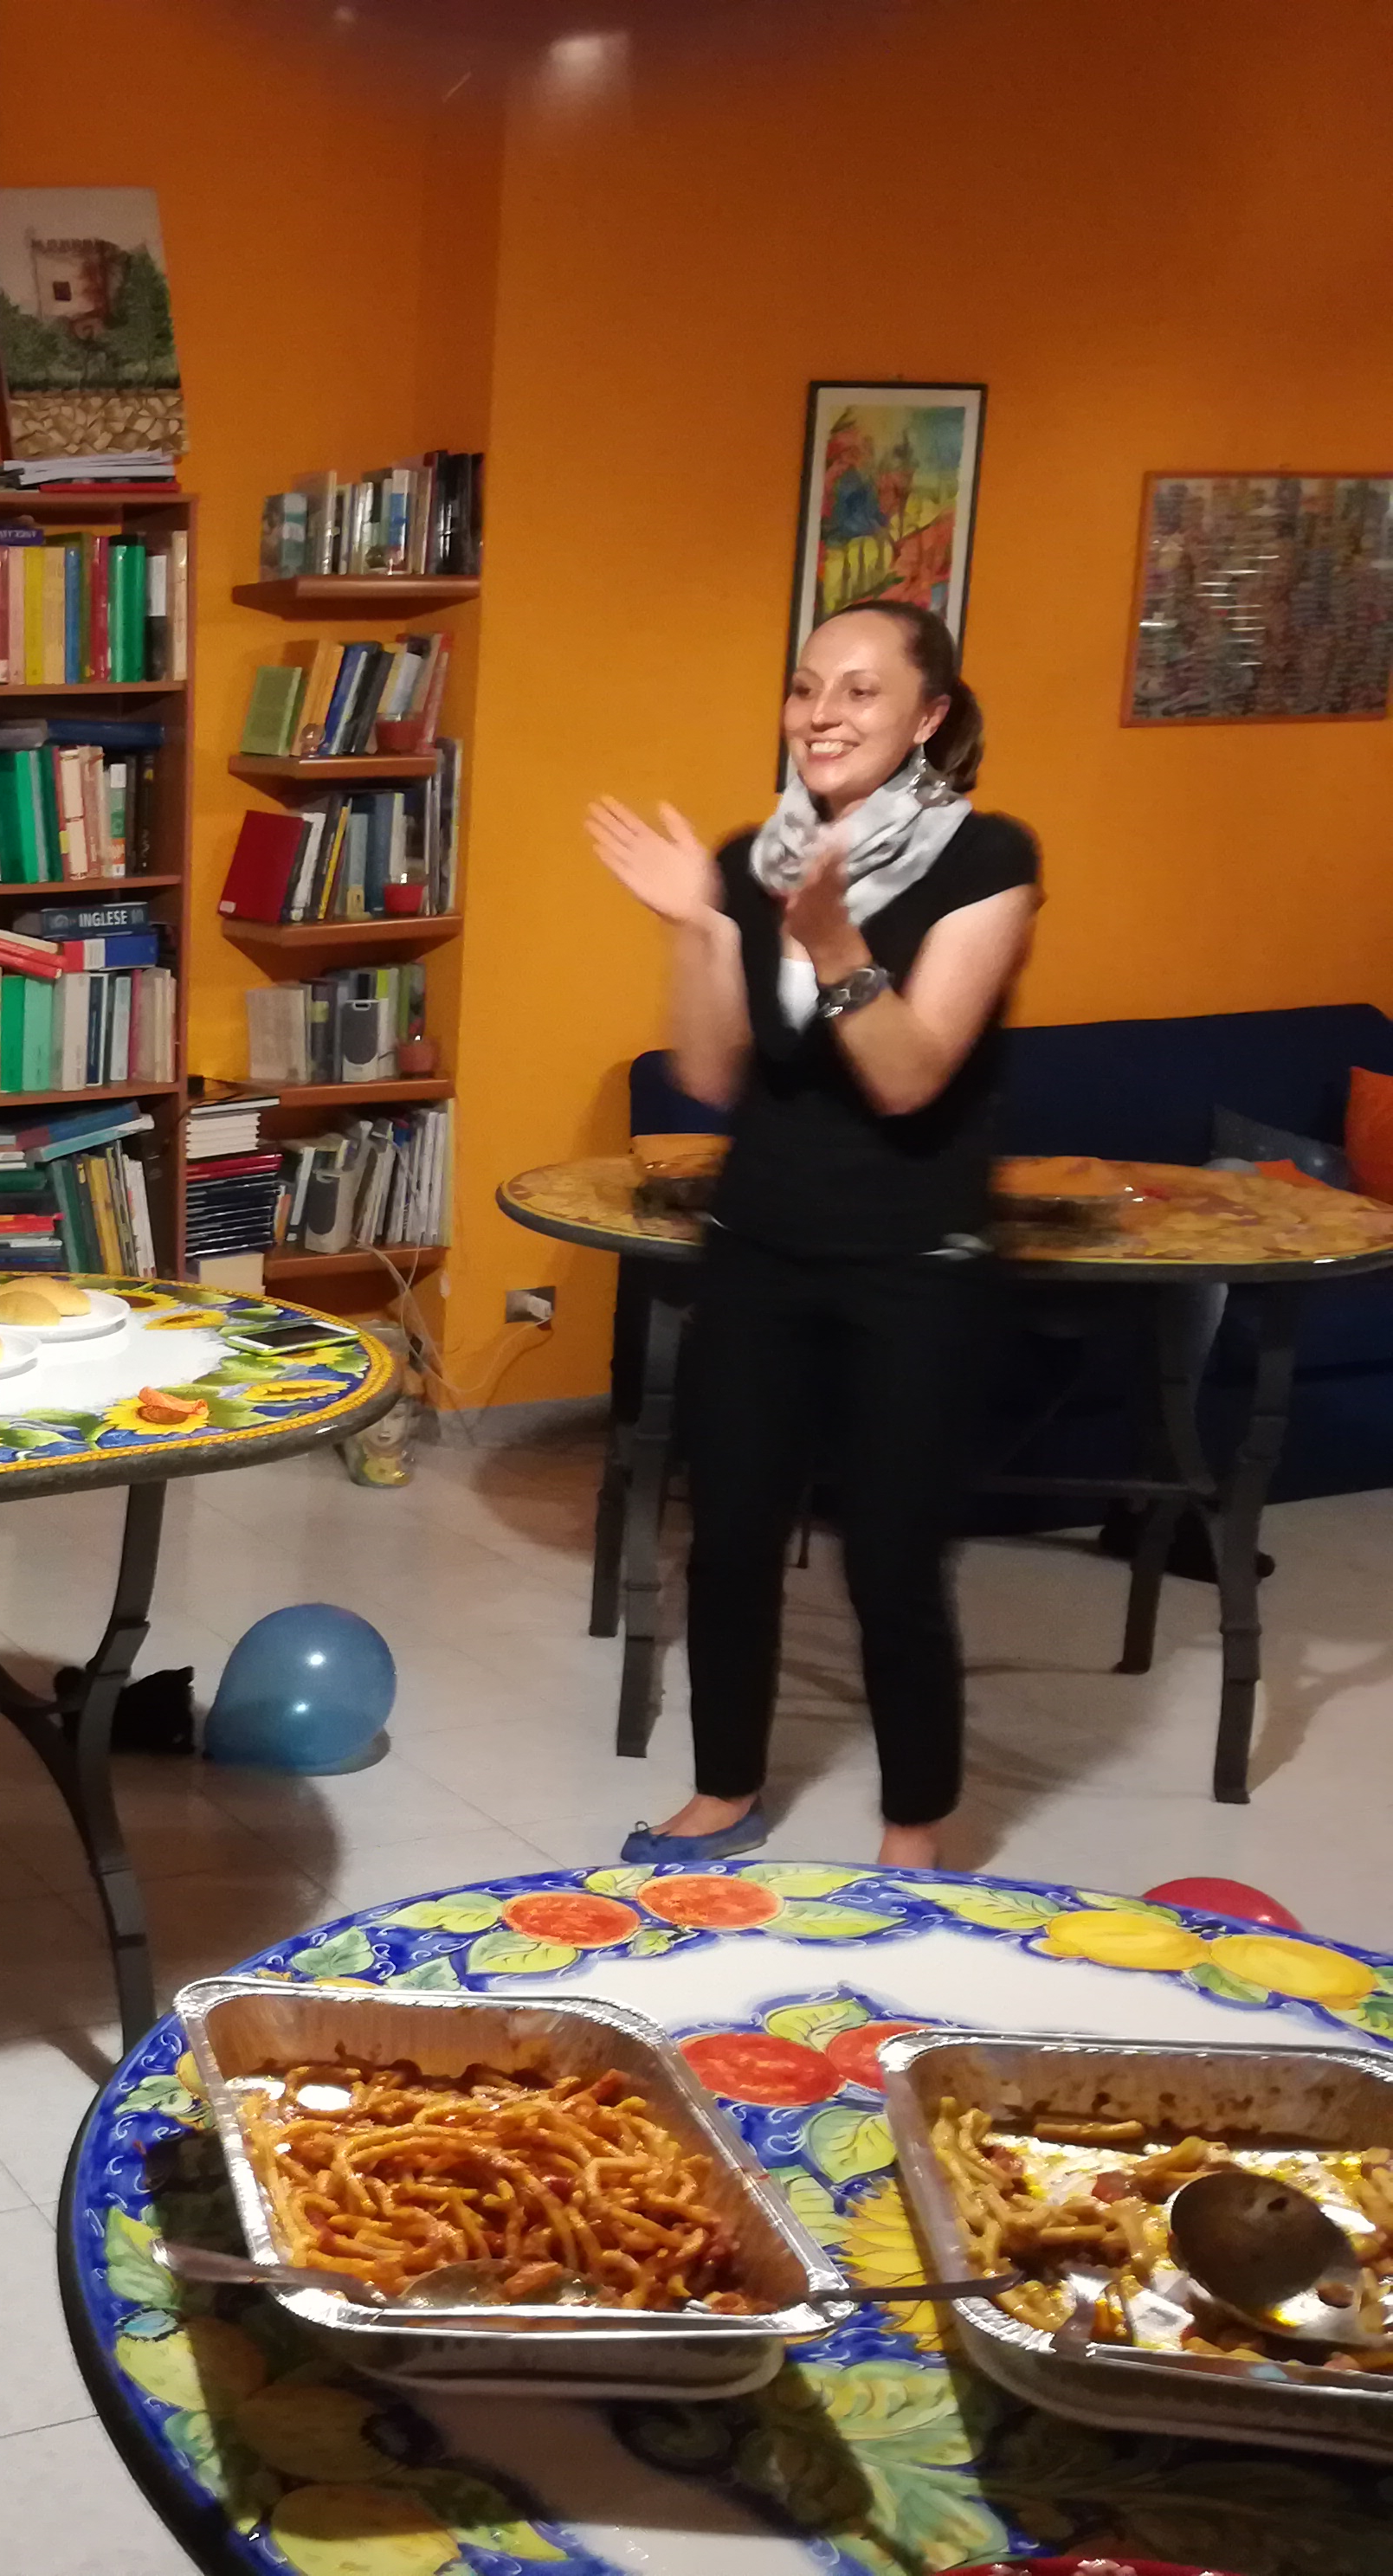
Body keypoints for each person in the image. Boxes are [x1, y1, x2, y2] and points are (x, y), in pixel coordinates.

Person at [589, 600, 1041, 1872]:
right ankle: (724, 1790)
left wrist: (831, 939)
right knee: (731, 1538)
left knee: (891, 1558)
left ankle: (915, 1828)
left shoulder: (986, 859)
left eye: (858, 690)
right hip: (761, 1248)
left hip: (915, 1266)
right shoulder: (753, 857)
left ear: (927, 716)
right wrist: (697, 922)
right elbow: (709, 1072)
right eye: (805, 687)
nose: (822, 714)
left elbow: (907, 1076)